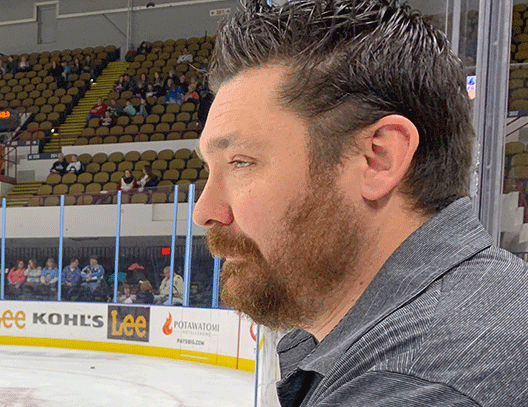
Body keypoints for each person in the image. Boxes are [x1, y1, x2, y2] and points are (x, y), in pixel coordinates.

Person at [195, 0, 528, 405]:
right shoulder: (483, 299)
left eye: (241, 162)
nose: (205, 211)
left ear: (378, 159)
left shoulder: (414, 385)